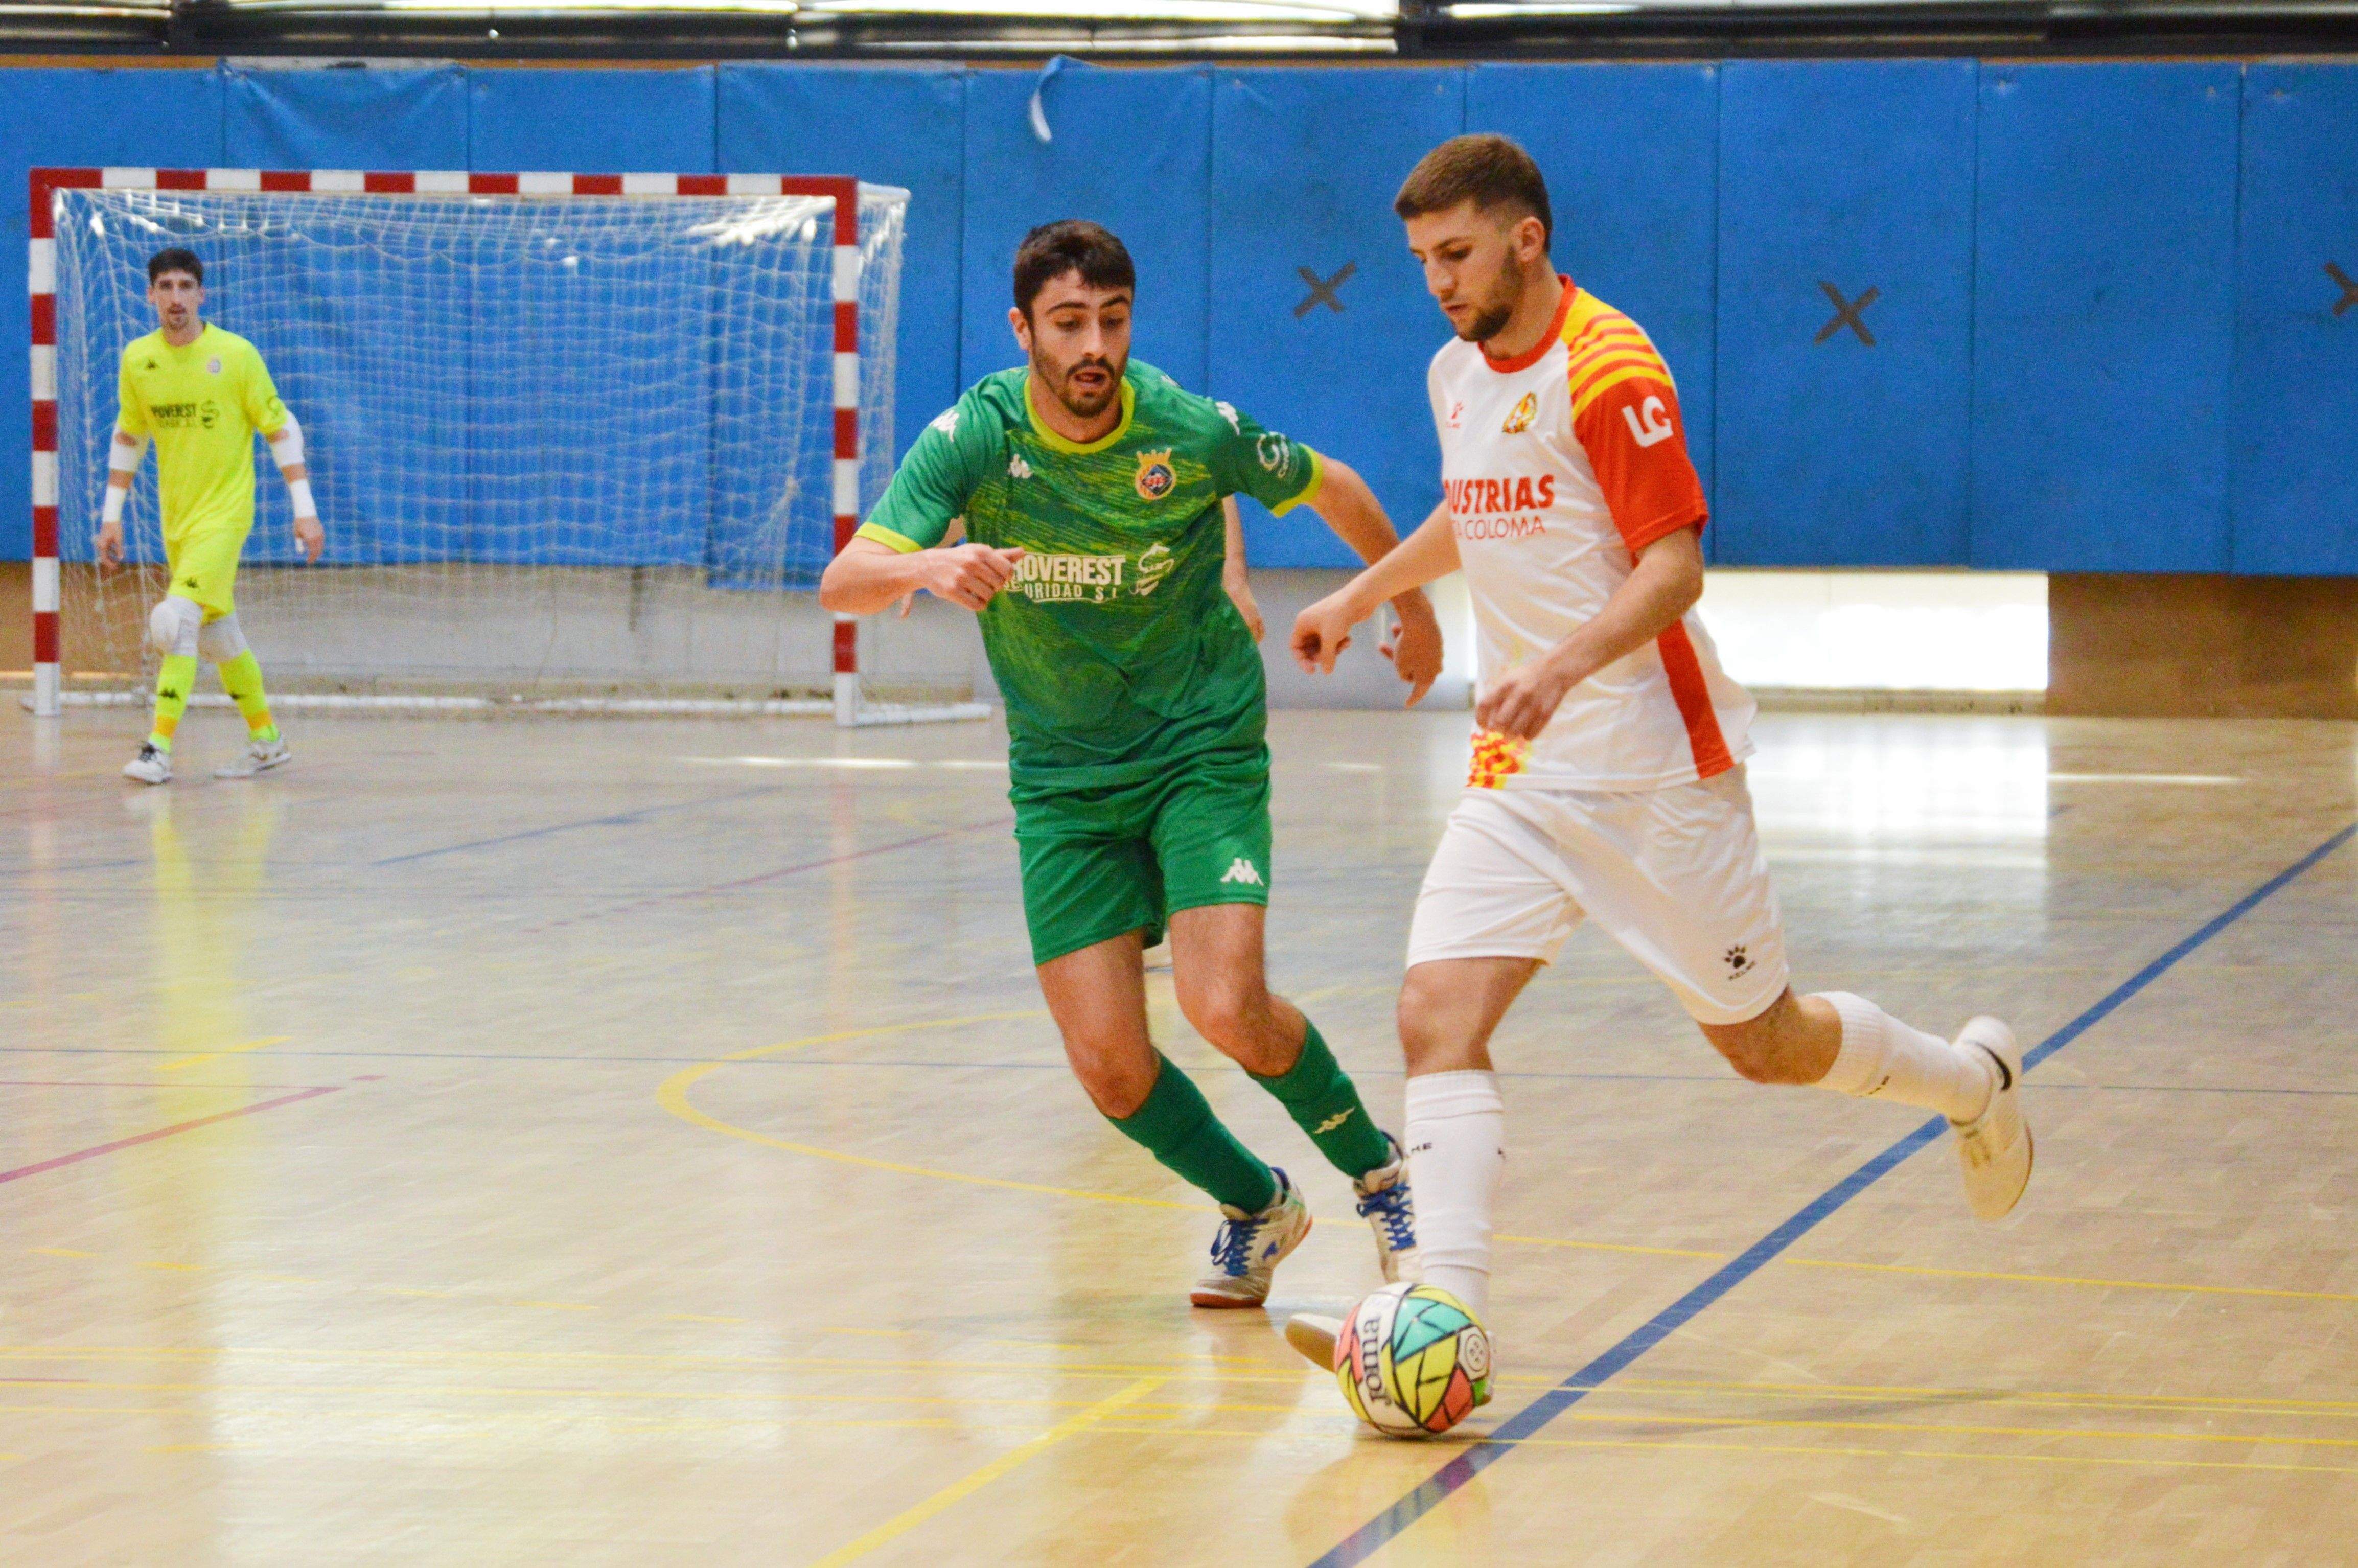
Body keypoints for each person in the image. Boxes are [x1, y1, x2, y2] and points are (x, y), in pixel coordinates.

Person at [1286, 135, 2031, 1362]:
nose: (1438, 282)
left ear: (1528, 238)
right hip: (1524, 777)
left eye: (1457, 254)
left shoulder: (1611, 367)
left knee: (1766, 1045)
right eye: (1421, 260)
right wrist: (1362, 593)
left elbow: (1674, 566)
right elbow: (1477, 508)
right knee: (1435, 1012)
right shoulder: (1455, 370)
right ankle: (1445, 1318)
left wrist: (1562, 666)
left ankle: (1970, 1085)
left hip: (1655, 772)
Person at [821, 220, 1444, 1307]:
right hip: (1063, 781)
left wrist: (1407, 600)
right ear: (1024, 329)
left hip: (1196, 746)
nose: (1094, 343)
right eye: (1068, 324)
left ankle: (1382, 1175)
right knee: (1109, 1064)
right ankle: (1259, 1206)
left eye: (1112, 319)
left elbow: (1331, 483)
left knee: (1225, 1004)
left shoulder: (1185, 427)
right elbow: (845, 579)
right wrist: (930, 562)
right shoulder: (972, 437)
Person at [100, 247, 322, 785]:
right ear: (150, 295)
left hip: (225, 517)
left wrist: (305, 509)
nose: (176, 298)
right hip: (178, 521)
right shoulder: (139, 359)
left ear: (202, 294)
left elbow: (279, 426)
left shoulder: (236, 355)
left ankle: (158, 749)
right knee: (219, 638)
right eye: (166, 287)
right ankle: (267, 740)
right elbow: (130, 434)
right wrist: (112, 516)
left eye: (185, 286)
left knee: (174, 622)